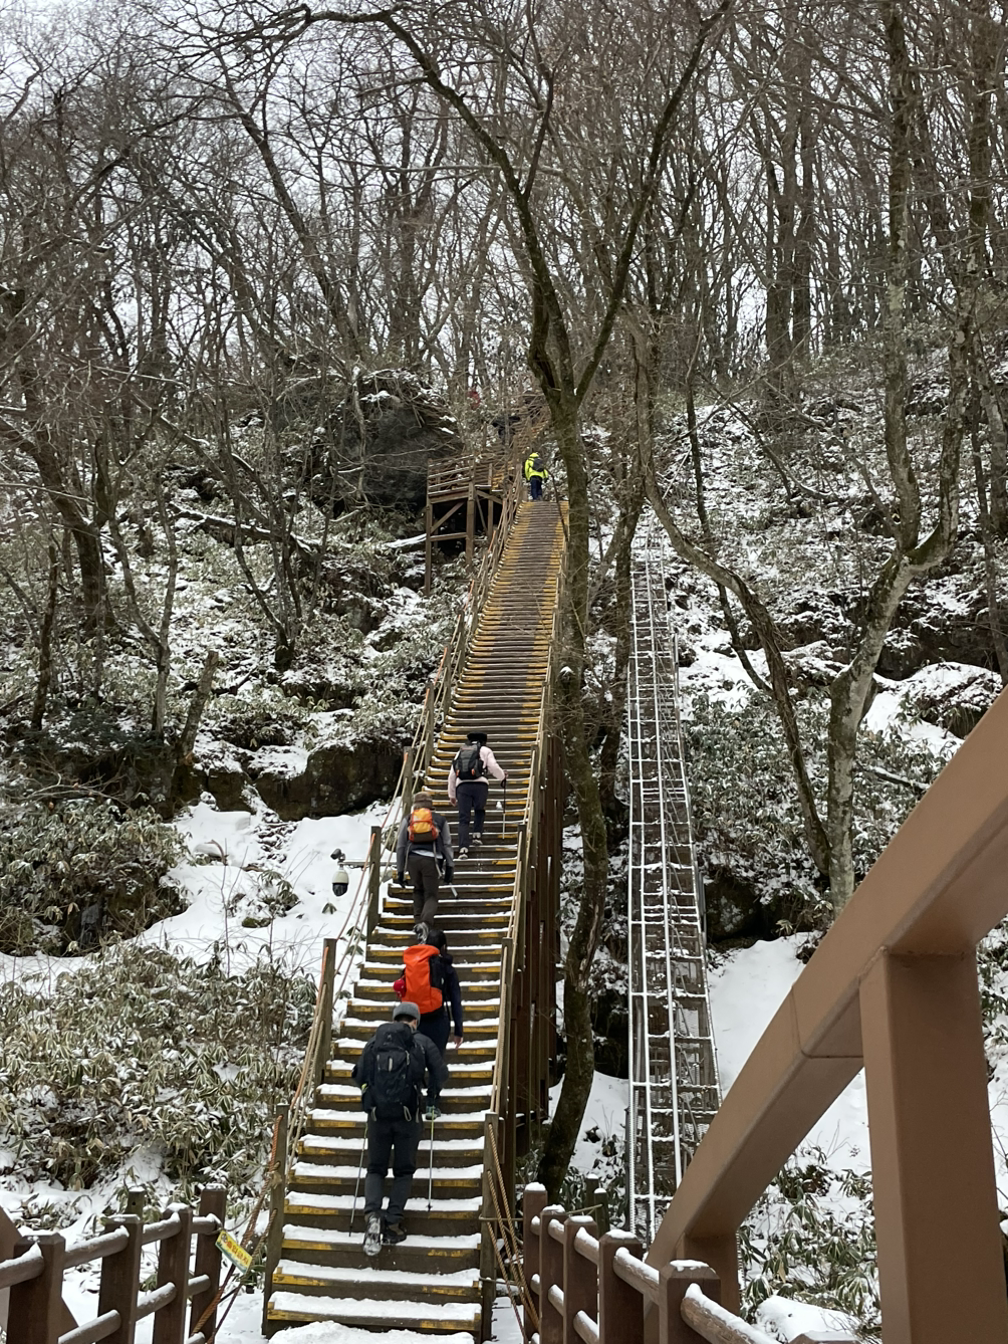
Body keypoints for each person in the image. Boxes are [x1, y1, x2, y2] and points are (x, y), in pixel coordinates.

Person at [351, 1000, 449, 1255]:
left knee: (375, 1168)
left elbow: (359, 1075)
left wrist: (371, 1094)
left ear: (395, 1019)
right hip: (408, 1117)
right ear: (415, 1020)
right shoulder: (422, 1042)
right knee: (404, 1171)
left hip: (377, 1117)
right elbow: (441, 1074)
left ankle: (373, 1215)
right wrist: (431, 1097)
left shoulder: (374, 1043)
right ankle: (393, 1223)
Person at [394, 927, 464, 1056]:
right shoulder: (446, 968)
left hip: (413, 1021)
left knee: (415, 1061)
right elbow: (455, 1000)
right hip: (437, 1021)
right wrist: (458, 1031)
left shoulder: (411, 966)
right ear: (443, 946)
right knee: (435, 1061)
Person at [396, 791, 454, 939]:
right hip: (432, 860)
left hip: (413, 859)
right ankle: (426, 923)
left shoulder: (409, 819)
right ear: (431, 805)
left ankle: (418, 924)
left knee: (418, 890)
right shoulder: (440, 820)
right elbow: (447, 845)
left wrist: (400, 870)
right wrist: (450, 866)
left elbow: (401, 845)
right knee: (431, 894)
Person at [447, 730, 507, 858]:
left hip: (462, 786)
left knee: (463, 818)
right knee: (480, 809)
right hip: (481, 785)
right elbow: (493, 767)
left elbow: (452, 774)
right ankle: (477, 835)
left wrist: (452, 795)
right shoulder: (485, 750)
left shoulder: (461, 751)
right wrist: (502, 777)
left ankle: (463, 848)